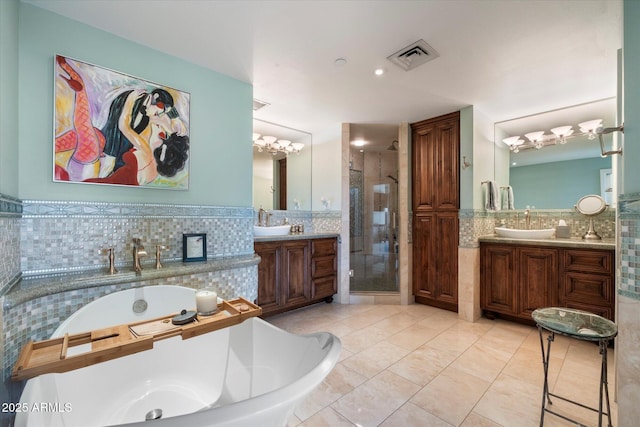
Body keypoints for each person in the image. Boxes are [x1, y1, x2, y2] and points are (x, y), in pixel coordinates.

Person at [54, 55, 189, 186]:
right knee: (87, 135)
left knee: (85, 134)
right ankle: (79, 88)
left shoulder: (149, 119)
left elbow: (159, 124)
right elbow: (119, 126)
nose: (158, 115)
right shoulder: (135, 98)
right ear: (154, 98)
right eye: (159, 109)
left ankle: (79, 88)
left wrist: (174, 119)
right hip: (110, 141)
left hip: (112, 151)